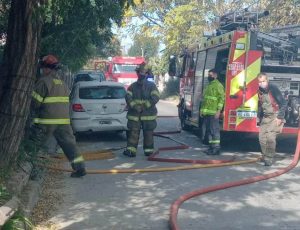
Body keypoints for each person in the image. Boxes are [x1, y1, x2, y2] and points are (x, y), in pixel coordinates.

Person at [31, 54, 86, 177]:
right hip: (64, 121)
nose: (42, 70)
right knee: (70, 145)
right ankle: (80, 168)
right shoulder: (62, 84)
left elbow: (35, 103)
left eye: (43, 67)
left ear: (46, 68)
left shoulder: (43, 81)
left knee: (38, 146)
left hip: (46, 121)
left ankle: (36, 173)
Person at [123, 64, 160, 157]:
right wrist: (135, 106)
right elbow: (128, 97)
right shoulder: (132, 86)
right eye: (140, 72)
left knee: (148, 134)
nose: (141, 74)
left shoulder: (152, 86)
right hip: (135, 115)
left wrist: (144, 106)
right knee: (133, 133)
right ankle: (131, 151)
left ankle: (148, 151)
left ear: (147, 73)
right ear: (137, 73)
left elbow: (155, 97)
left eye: (143, 72)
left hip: (147, 115)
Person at [257, 73, 287, 166]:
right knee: (261, 137)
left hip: (275, 116)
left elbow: (283, 103)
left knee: (270, 137)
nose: (262, 83)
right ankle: (265, 155)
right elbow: (261, 105)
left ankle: (269, 158)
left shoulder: (273, 88)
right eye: (260, 82)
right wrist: (259, 116)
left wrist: (280, 117)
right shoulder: (260, 91)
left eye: (263, 81)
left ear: (267, 80)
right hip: (266, 117)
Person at [200, 69, 225, 155]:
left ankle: (216, 148)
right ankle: (211, 147)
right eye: (208, 75)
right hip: (207, 113)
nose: (209, 76)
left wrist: (218, 111)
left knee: (215, 131)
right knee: (209, 131)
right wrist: (202, 110)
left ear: (215, 75)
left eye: (210, 75)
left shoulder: (218, 85)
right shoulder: (209, 86)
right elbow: (205, 100)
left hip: (214, 113)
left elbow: (221, 99)